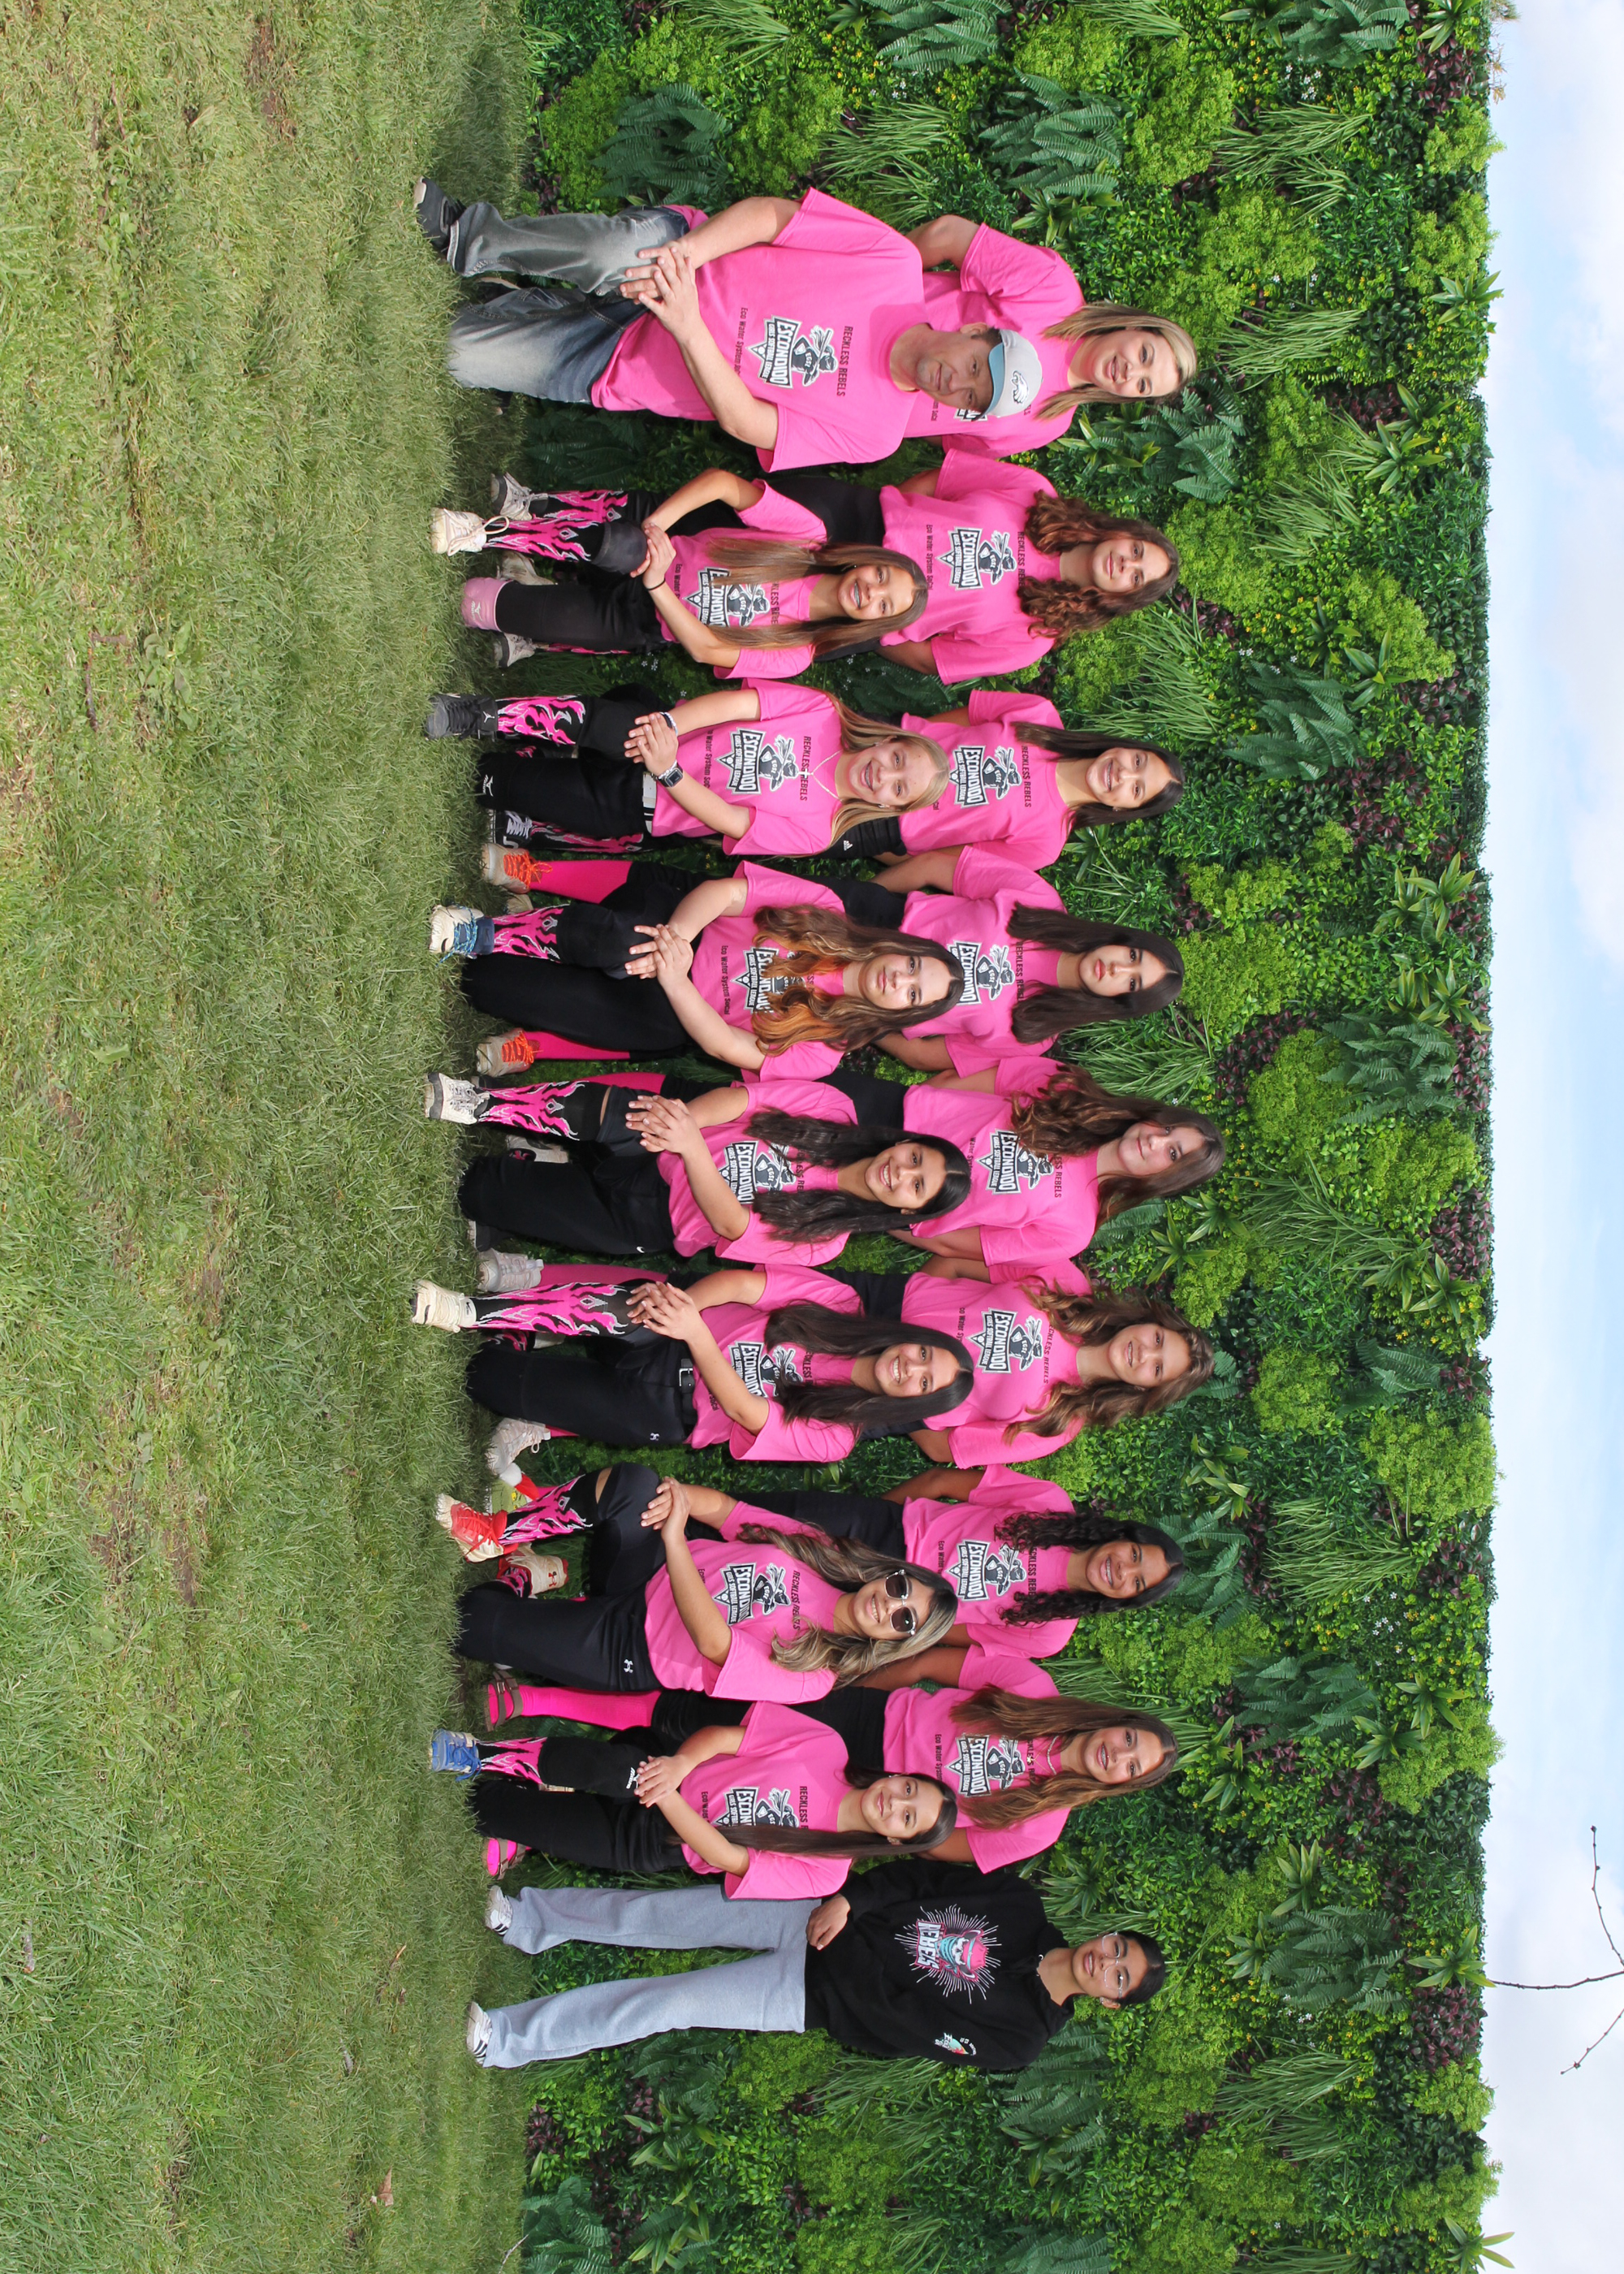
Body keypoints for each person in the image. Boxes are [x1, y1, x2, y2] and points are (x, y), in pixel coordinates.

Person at [414, 183, 1124, 465]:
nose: (957, 384)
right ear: (972, 333)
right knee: (608, 252)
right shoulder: (894, 265)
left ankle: (519, 309)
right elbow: (774, 217)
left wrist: (687, 328)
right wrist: (686, 259)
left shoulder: (877, 435)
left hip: (633, 365)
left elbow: (748, 424)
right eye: (975, 367)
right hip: (679, 263)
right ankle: (471, 237)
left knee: (448, 354)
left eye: (971, 398)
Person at [425, 1061, 1220, 1286]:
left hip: (867, 1197)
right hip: (881, 1123)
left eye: (1174, 1157)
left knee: (690, 1201)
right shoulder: (1071, 1094)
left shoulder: (1072, 1225)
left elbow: (964, 1247)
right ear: (1155, 1115)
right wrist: (908, 1121)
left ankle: (533, 1187)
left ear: (1165, 1179)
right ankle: (513, 1113)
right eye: (1170, 1132)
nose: (1159, 1144)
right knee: (698, 1113)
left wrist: (897, 1215)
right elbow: (974, 1080)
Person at [408, 1256, 1212, 1468]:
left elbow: (948, 1449)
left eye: (1155, 1368)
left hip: (870, 1395)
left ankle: (541, 1394)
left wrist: (916, 1398)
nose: (1143, 1354)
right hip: (875, 1320)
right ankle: (526, 1296)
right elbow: (967, 1261)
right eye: (1156, 1340)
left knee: (505, 1382)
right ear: (1146, 1321)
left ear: (1144, 1389)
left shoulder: (1059, 1421)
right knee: (664, 1311)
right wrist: (908, 1322)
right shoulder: (1065, 1287)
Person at [448, 456, 1176, 682]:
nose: (1126, 565)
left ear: (1120, 597)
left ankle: (543, 615)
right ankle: (536, 514)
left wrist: (885, 622)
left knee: (688, 623)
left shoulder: (1034, 635)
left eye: (1135, 578)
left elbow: (934, 658)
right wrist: (886, 535)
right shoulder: (1036, 493)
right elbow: (941, 480)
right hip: (855, 530)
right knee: (693, 529)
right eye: (1137, 552)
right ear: (1125, 533)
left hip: (855, 609)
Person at [464, 1858, 1165, 2068]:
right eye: (1118, 1948)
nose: (1106, 1961)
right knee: (658, 1916)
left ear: (1110, 2000)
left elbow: (911, 2028)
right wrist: (851, 1901)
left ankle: (505, 2040)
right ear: (1107, 1935)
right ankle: (527, 1918)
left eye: (1119, 1975)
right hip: (819, 1912)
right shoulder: (1019, 1904)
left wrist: (845, 1969)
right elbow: (921, 1878)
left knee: (665, 2004)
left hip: (809, 1995)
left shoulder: (1021, 2040)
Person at [446, 1459, 955, 1705]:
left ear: (897, 1643)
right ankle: (500, 1534)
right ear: (890, 1574)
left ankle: (522, 1582)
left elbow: (715, 1643)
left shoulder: (816, 1676)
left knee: (469, 1623)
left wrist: (675, 1539)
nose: (890, 1606)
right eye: (900, 1589)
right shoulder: (825, 1553)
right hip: (646, 1571)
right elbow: (731, 1513)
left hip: (634, 1648)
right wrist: (680, 1500)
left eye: (904, 1620)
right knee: (637, 1487)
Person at [426, 859, 965, 1078]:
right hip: (682, 924)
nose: (901, 979)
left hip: (676, 1012)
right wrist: (676, 943)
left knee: (483, 985)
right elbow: (727, 893)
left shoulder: (825, 1052)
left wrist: (674, 979)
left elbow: (727, 1046)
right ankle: (486, 931)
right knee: (621, 942)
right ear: (901, 946)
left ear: (902, 1015)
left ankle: (527, 941)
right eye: (912, 965)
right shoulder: (828, 910)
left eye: (913, 993)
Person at [430, 1696, 957, 1900]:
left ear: (896, 1840)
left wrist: (666, 1801)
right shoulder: (829, 1747)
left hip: (657, 1839)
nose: (895, 1802)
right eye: (908, 1789)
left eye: (907, 1818)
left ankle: (511, 1803)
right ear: (899, 1775)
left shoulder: (828, 1873)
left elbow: (725, 1856)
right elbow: (729, 1738)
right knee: (609, 1769)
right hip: (669, 1769)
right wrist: (678, 1768)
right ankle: (480, 1754)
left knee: (488, 1810)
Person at [423, 1076, 974, 1271]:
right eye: (915, 1159)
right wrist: (683, 1124)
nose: (901, 1173)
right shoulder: (835, 1110)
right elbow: (744, 1100)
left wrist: (692, 1151)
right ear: (905, 1141)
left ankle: (524, 1171)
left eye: (916, 1186)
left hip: (655, 1216)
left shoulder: (826, 1242)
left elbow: (735, 1227)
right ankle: (482, 1103)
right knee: (606, 1111)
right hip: (663, 1140)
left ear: (908, 1212)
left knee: (478, 1189)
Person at [451, 469, 928, 675]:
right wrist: (656, 527)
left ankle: (523, 588)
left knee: (474, 602)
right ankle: (487, 531)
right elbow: (723, 484)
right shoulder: (808, 536)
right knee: (621, 544)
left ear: (874, 625)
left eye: (884, 606)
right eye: (881, 577)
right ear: (870, 560)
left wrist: (658, 585)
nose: (872, 592)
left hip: (645, 616)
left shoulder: (797, 652)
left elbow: (705, 649)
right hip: (652, 549)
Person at [901, 214, 1199, 456]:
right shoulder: (1055, 289)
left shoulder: (1051, 424)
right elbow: (947, 235)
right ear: (1135, 326)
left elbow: (951, 439)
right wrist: (882, 275)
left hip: (875, 415)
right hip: (879, 320)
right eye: (1144, 354)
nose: (1130, 372)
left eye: (1143, 385)